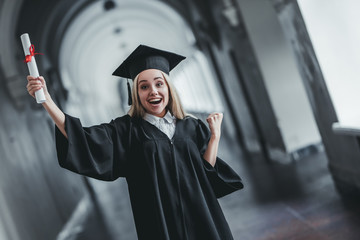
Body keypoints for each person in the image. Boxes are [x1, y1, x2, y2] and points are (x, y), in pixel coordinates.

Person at [26, 45, 243, 240]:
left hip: (202, 215)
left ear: (169, 88)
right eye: (144, 86)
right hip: (160, 223)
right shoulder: (126, 130)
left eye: (159, 84)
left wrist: (214, 137)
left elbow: (207, 173)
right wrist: (47, 100)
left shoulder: (192, 126)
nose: (153, 91)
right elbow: (83, 138)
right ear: (136, 93)